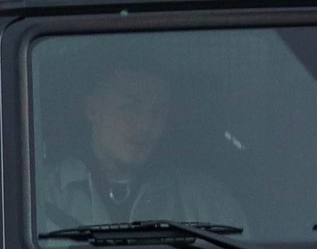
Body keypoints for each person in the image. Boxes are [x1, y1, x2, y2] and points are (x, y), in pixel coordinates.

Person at [40, 66, 245, 233]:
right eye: (130, 108)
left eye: (158, 112)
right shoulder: (40, 195)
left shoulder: (206, 200)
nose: (146, 125)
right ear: (93, 110)